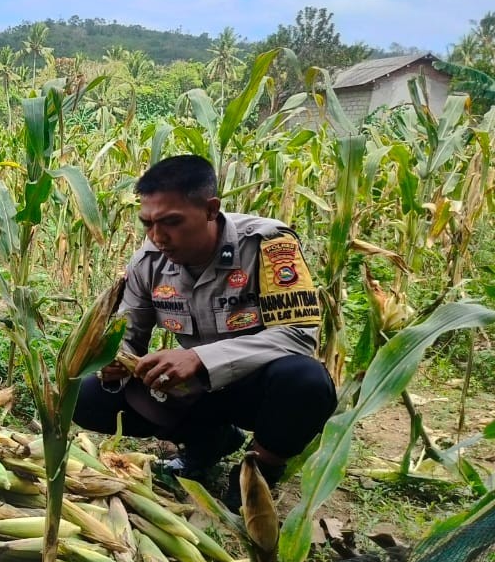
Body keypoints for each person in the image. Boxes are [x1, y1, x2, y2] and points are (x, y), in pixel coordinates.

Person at [73, 155, 336, 510]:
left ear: (211, 210)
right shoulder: (148, 262)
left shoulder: (267, 244)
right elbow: (127, 333)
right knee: (87, 396)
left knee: (307, 381)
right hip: (192, 392)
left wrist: (199, 358)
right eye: (147, 223)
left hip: (254, 387)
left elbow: (298, 335)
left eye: (171, 222)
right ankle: (209, 443)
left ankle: (257, 472)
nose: (157, 236)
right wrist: (112, 360)